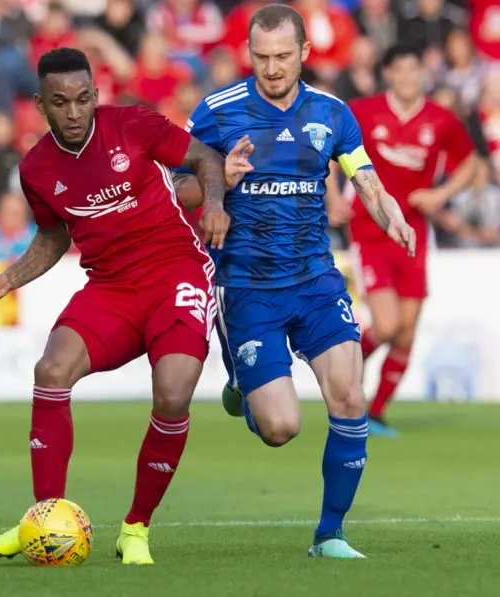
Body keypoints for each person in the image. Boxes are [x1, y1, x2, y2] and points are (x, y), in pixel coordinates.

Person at [0, 48, 228, 565]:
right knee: (51, 369)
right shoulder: (36, 168)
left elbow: (203, 158)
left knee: (172, 395)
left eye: (83, 99)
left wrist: (213, 204)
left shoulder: (133, 125)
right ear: (41, 104)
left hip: (176, 272)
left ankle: (136, 529)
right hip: (110, 288)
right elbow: (52, 238)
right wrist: (5, 281)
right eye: (60, 103)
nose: (75, 112)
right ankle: (44, 522)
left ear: (96, 94)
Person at [172, 4, 415, 558]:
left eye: (283, 56)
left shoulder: (331, 114)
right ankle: (243, 382)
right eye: (262, 57)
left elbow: (367, 182)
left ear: (305, 53)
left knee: (350, 396)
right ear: (249, 53)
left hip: (316, 280)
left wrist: (392, 217)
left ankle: (329, 534)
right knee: (281, 427)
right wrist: (218, 181)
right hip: (249, 287)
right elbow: (172, 184)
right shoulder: (217, 111)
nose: (273, 67)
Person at [345, 44, 475, 436]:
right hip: (370, 228)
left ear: (422, 73)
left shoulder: (441, 119)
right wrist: (333, 197)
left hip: (415, 233)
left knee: (406, 329)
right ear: (387, 74)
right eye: (399, 69)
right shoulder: (363, 112)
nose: (406, 77)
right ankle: (345, 369)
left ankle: (377, 413)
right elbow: (332, 155)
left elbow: (470, 163)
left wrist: (439, 195)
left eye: (413, 69)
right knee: (384, 326)